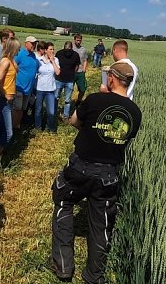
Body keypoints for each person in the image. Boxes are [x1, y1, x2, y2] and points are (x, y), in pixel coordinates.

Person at [47, 61, 142, 284]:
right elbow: (125, 139)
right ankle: (94, 275)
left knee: (63, 202)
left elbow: (74, 121)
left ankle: (62, 265)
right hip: (109, 174)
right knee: (102, 224)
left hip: (80, 168)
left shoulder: (95, 99)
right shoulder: (135, 112)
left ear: (112, 79)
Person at [0, 38, 20, 164]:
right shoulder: (5, 62)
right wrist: (5, 95)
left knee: (2, 128)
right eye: (17, 48)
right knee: (8, 133)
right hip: (4, 100)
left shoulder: (11, 61)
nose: (19, 50)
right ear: (12, 49)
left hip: (9, 99)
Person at [12, 35, 39, 130]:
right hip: (19, 87)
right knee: (17, 109)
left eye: (35, 43)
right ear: (26, 44)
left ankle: (17, 127)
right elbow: (12, 64)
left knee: (22, 109)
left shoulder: (33, 55)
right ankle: (12, 128)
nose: (34, 45)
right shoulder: (20, 54)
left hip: (28, 89)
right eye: (32, 43)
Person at [34, 41, 61, 132]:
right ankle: (38, 128)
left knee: (51, 112)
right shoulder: (39, 60)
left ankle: (51, 128)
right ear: (45, 50)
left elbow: (57, 72)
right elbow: (35, 72)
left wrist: (52, 61)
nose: (52, 51)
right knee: (38, 110)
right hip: (40, 88)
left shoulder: (56, 60)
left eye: (53, 49)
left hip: (50, 89)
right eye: (50, 49)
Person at [54, 41, 80, 120]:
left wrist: (71, 73)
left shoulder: (75, 55)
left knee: (67, 100)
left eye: (69, 49)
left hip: (69, 80)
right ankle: (54, 113)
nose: (67, 51)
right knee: (56, 97)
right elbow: (55, 64)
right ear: (64, 47)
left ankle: (65, 116)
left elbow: (77, 66)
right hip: (59, 79)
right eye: (66, 49)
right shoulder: (59, 53)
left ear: (72, 48)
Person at [72, 33, 89, 107]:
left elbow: (85, 60)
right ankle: (68, 103)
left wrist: (84, 69)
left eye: (80, 40)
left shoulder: (83, 49)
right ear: (74, 40)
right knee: (69, 89)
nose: (79, 42)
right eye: (77, 40)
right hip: (72, 72)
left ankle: (78, 102)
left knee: (82, 89)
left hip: (80, 72)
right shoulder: (71, 48)